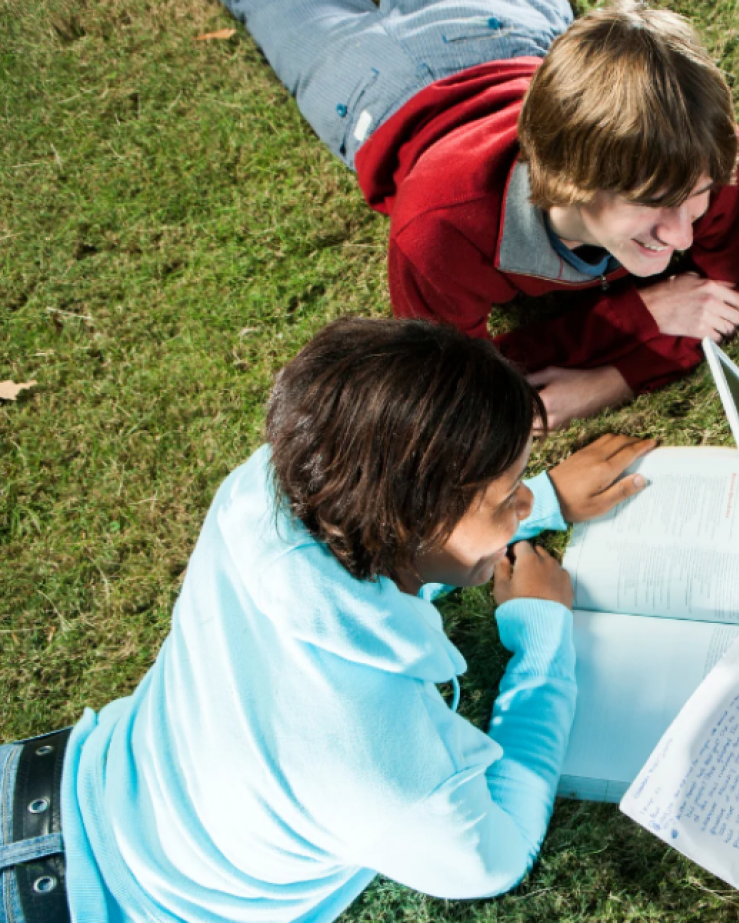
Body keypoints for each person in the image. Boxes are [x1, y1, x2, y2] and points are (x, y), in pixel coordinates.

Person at [0, 317, 657, 922]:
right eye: (507, 493)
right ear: (411, 520)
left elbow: (382, 549)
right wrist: (541, 640)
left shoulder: (264, 488)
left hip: (31, 786)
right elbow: (498, 857)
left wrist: (543, 500)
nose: (523, 502)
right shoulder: (390, 777)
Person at [219, 0, 739, 429]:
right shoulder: (439, 230)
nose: (683, 236)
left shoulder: (700, 157)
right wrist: (640, 315)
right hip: (376, 84)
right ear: (572, 180)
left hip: (501, 27)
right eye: (651, 204)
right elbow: (452, 381)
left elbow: (738, 283)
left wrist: (613, 380)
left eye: (697, 196)